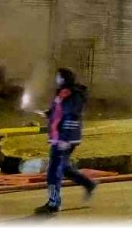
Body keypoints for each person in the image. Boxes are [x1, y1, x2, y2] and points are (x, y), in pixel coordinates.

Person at [34, 68, 97, 214]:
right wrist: (47, 113)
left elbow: (71, 117)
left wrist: (65, 139)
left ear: (65, 78)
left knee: (53, 171)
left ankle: (53, 203)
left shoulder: (73, 95)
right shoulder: (62, 92)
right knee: (65, 168)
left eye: (59, 76)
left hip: (65, 138)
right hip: (60, 137)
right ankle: (89, 184)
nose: (57, 79)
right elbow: (58, 111)